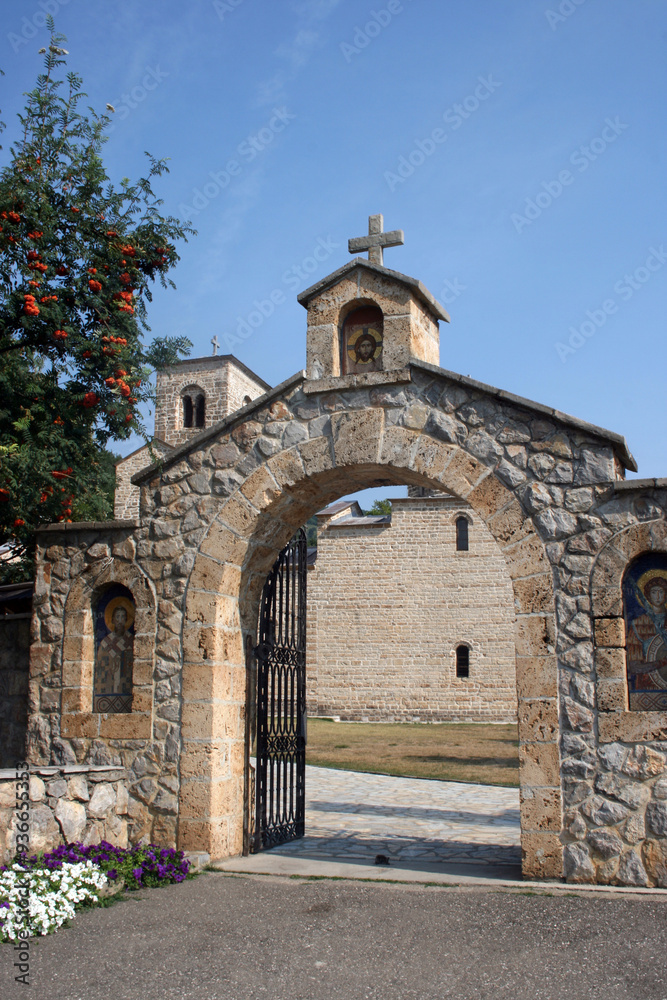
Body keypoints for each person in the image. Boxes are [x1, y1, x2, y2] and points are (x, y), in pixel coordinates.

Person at [94, 604, 134, 706]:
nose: (120, 621)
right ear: (112, 620)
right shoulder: (106, 643)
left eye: (123, 617)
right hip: (108, 690)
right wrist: (110, 667)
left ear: (126, 619)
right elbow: (100, 669)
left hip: (125, 687)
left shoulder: (131, 641)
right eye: (117, 617)